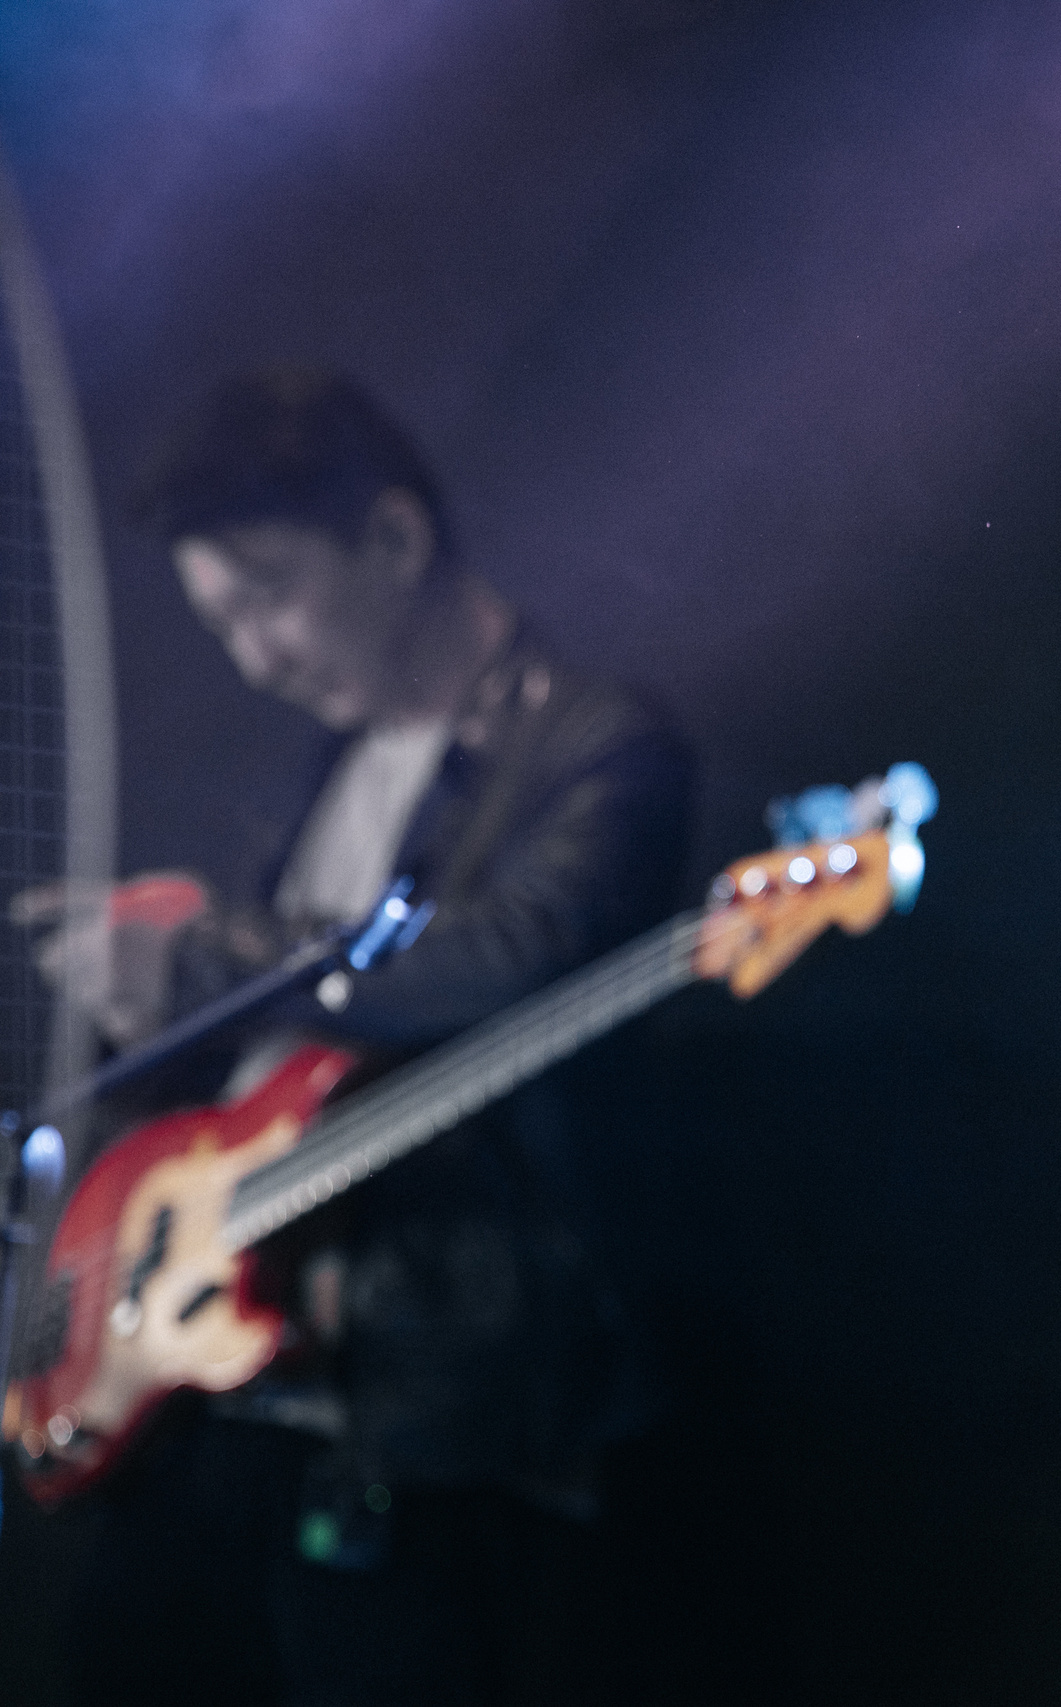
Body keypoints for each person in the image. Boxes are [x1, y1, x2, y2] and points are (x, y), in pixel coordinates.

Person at [22, 367, 692, 1705]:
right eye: (222, 619)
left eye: (269, 592)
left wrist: (201, 952)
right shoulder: (316, 772)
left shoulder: (594, 743)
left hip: (431, 1407)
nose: (255, 654)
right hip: (231, 1395)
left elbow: (515, 961)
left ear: (392, 539)